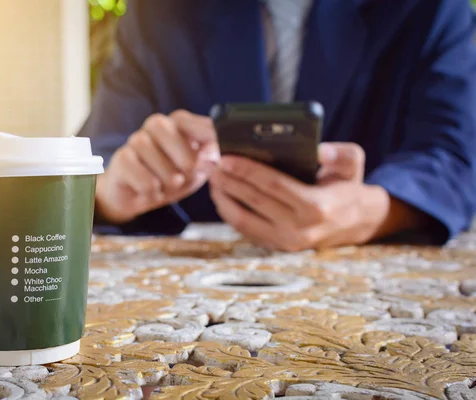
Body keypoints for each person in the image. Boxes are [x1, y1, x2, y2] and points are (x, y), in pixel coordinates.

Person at [79, 0, 476, 251]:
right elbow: (97, 153)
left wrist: (371, 210)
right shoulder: (158, 11)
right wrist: (113, 193)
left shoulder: (433, 8)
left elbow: (452, 157)